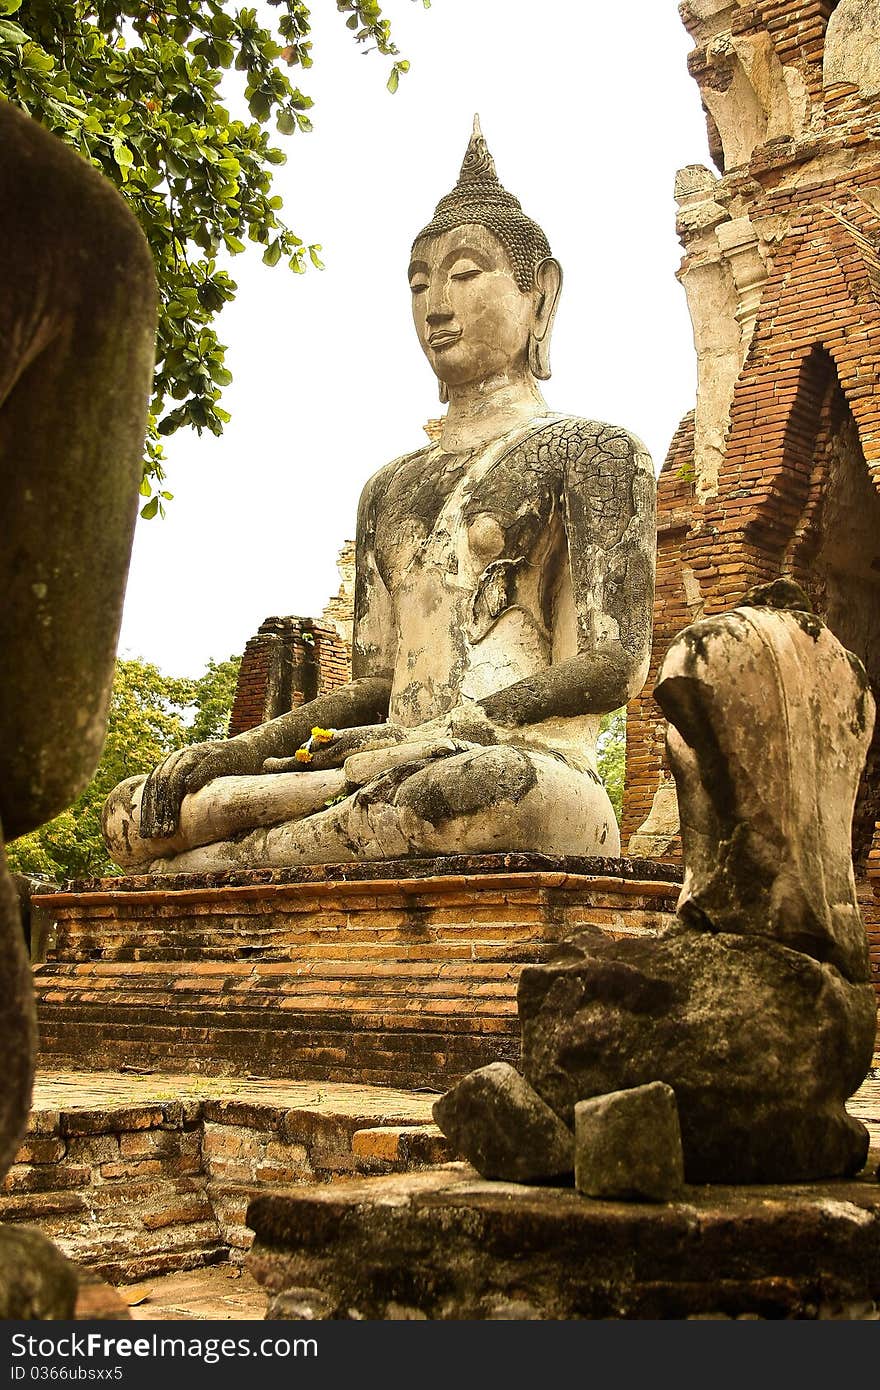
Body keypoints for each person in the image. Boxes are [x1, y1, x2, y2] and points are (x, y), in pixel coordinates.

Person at [103, 118, 656, 873]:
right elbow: (377, 687)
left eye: (465, 274)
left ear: (542, 294)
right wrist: (244, 747)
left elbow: (614, 664)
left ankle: (237, 857)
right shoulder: (388, 488)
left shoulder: (596, 452)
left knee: (473, 790)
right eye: (420, 281)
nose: (436, 303)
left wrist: (464, 724)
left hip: (515, 763)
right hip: (376, 763)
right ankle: (266, 837)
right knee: (135, 810)